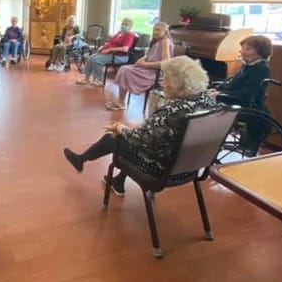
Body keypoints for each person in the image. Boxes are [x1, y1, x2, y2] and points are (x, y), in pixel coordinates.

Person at [63, 56, 215, 196]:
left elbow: (140, 139)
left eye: (166, 80)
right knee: (131, 142)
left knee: (113, 139)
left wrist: (121, 128)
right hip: (190, 167)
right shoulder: (208, 99)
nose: (162, 84)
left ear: (180, 86)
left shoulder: (172, 112)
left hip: (161, 170)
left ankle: (81, 159)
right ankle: (118, 182)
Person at [106, 22, 173, 111]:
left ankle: (121, 102)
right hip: (146, 68)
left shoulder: (165, 42)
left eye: (158, 30)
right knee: (123, 69)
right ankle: (121, 101)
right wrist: (142, 59)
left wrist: (145, 64)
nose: (155, 32)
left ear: (165, 31)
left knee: (125, 70)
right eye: (154, 30)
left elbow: (166, 63)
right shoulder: (157, 42)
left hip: (155, 73)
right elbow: (150, 55)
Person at [209, 35, 272, 108]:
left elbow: (246, 94)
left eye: (248, 49)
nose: (242, 52)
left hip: (244, 108)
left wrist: (219, 93)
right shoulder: (249, 65)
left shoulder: (261, 69)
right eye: (242, 48)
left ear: (261, 52)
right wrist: (217, 89)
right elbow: (232, 82)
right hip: (231, 102)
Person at [76, 18, 135, 87]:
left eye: (126, 24)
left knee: (96, 60)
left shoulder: (129, 35)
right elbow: (110, 42)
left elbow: (125, 49)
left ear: (130, 26)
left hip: (119, 56)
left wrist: (110, 50)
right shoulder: (119, 33)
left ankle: (99, 80)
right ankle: (86, 79)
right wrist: (102, 47)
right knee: (91, 58)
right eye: (123, 24)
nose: (124, 25)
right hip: (111, 54)